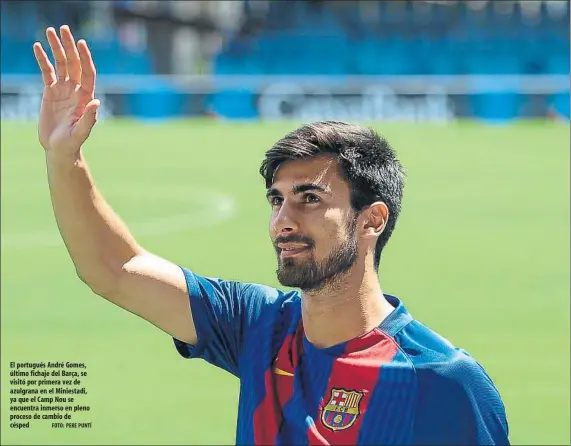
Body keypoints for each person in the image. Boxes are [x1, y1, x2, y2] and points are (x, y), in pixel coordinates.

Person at [33, 25, 510, 445]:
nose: (284, 219)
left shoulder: (445, 383)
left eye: (310, 198)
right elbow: (115, 270)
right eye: (277, 199)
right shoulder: (258, 326)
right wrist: (64, 157)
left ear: (372, 219)